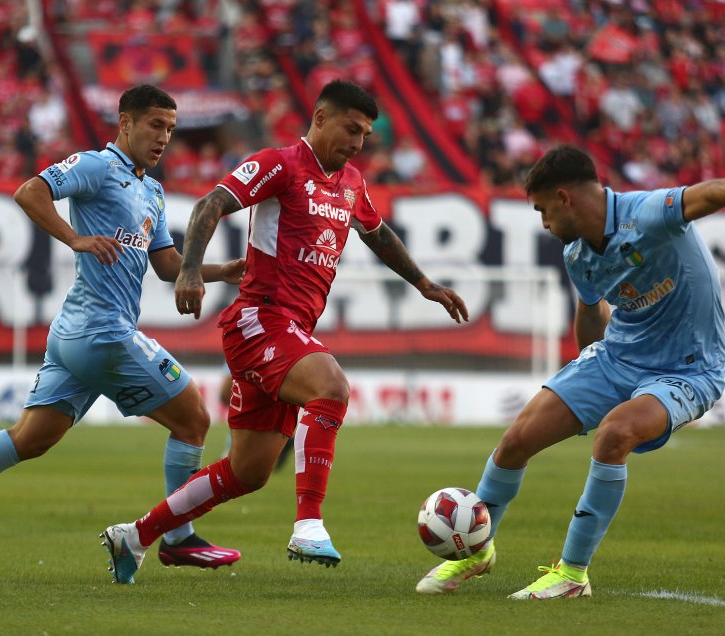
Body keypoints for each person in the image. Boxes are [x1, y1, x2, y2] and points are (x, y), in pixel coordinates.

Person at [100, 79, 470, 584]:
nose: (358, 142)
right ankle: (308, 523)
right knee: (332, 388)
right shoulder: (280, 164)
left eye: (365, 134)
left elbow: (378, 234)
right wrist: (189, 269)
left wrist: (425, 283)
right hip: (260, 318)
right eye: (350, 128)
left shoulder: (353, 183)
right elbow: (212, 203)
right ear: (319, 118)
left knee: (248, 472)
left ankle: (136, 536)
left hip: (289, 329)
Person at [415, 145, 725, 599]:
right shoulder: (577, 255)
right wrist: (585, 392)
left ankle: (571, 575)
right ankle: (475, 552)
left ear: (564, 197)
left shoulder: (646, 213)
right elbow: (591, 312)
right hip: (616, 358)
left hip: (688, 368)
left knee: (614, 434)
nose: (544, 223)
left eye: (543, 210)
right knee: (516, 440)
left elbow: (713, 192)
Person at [0, 84, 244, 573]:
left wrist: (218, 269)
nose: (164, 136)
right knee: (193, 421)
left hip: (76, 335)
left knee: (31, 438)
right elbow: (29, 191)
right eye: (154, 125)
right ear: (125, 123)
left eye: (170, 128)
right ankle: (177, 539)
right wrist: (75, 238)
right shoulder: (97, 166)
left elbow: (166, 264)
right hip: (102, 332)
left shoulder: (153, 190)